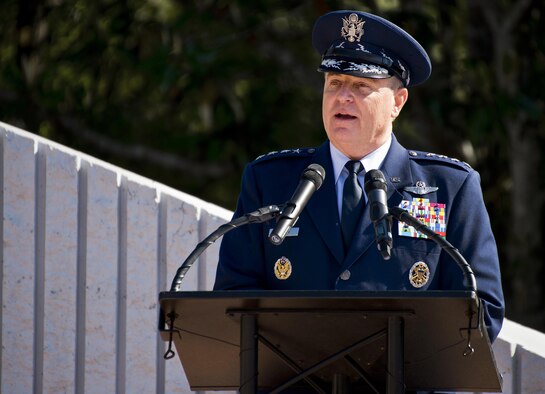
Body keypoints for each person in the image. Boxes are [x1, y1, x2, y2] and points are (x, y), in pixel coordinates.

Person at [213, 9, 504, 348]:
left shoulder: (450, 188)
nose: (343, 96)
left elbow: (482, 310)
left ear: (397, 102)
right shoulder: (270, 180)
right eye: (334, 83)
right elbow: (233, 296)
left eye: (361, 85)